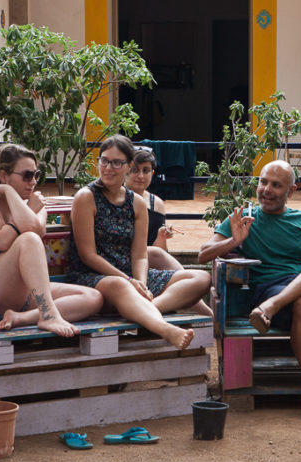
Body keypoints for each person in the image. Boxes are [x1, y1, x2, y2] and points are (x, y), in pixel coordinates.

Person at [199, 160, 301, 425]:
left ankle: (275, 305)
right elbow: (202, 255)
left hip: (297, 292)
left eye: (276, 185)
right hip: (268, 291)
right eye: (263, 182)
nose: (266, 190)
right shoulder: (243, 218)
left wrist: (282, 299)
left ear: (291, 191)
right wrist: (235, 240)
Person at [67, 134, 212, 350]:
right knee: (118, 285)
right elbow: (88, 255)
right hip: (95, 279)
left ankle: (147, 308)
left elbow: (140, 254)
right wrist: (128, 280)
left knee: (201, 277)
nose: (108, 167)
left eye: (117, 163)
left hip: (131, 277)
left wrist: (140, 282)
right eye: (104, 161)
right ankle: (163, 328)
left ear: (128, 166)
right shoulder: (86, 197)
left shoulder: (136, 202)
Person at [0, 144, 103, 336]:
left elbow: (36, 228)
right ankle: (48, 314)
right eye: (27, 175)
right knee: (28, 240)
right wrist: (9, 193)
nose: (33, 182)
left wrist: (26, 206)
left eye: (36, 175)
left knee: (92, 297)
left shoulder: (35, 204)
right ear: (3, 176)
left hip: (21, 293)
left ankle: (22, 318)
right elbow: (1, 241)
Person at [125, 148, 212, 317]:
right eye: (135, 170)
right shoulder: (119, 199)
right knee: (154, 253)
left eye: (146, 171)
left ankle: (202, 309)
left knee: (157, 253)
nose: (141, 176)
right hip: (124, 261)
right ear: (126, 170)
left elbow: (160, 253)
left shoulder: (156, 203)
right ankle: (204, 311)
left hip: (147, 265)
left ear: (153, 173)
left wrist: (161, 238)